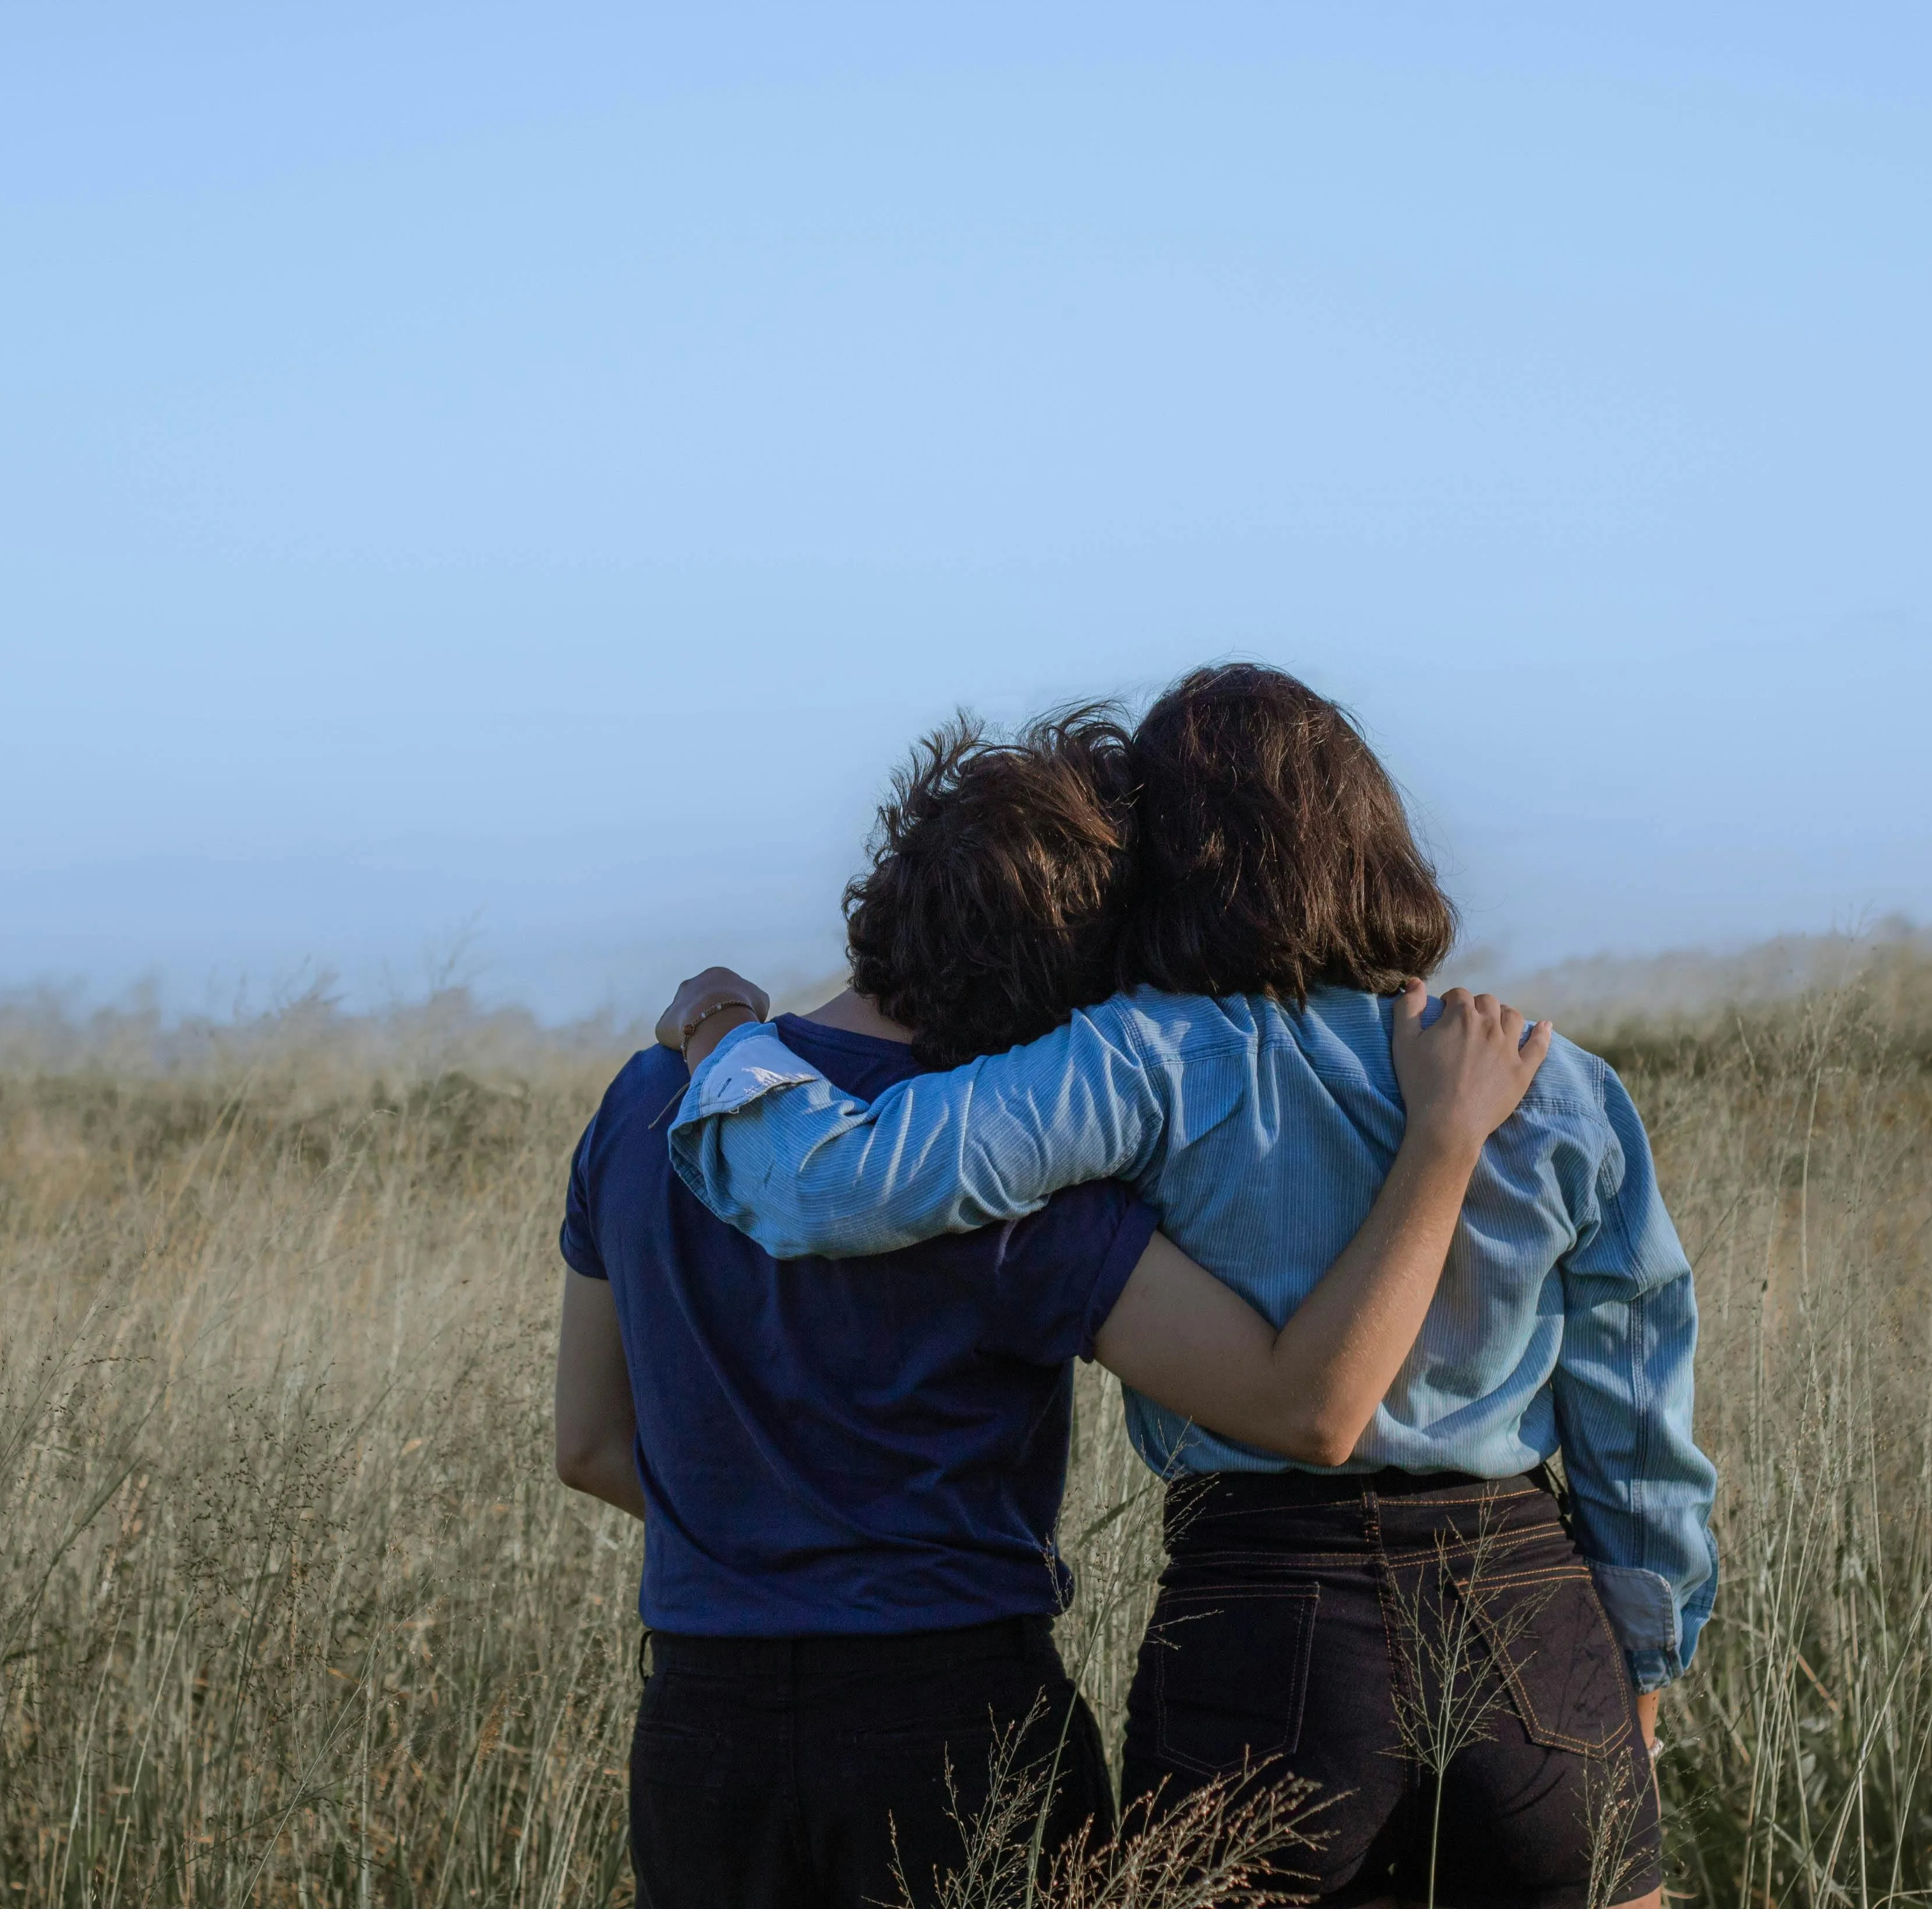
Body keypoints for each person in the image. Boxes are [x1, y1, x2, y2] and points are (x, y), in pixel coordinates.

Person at [664, 666, 1717, 1909]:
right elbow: (1638, 1433)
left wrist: (724, 1035)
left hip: (1268, 1620)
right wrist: (1637, 1672)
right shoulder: (1553, 1081)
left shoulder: (1144, 1054)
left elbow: (828, 1187)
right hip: (1538, 1626)